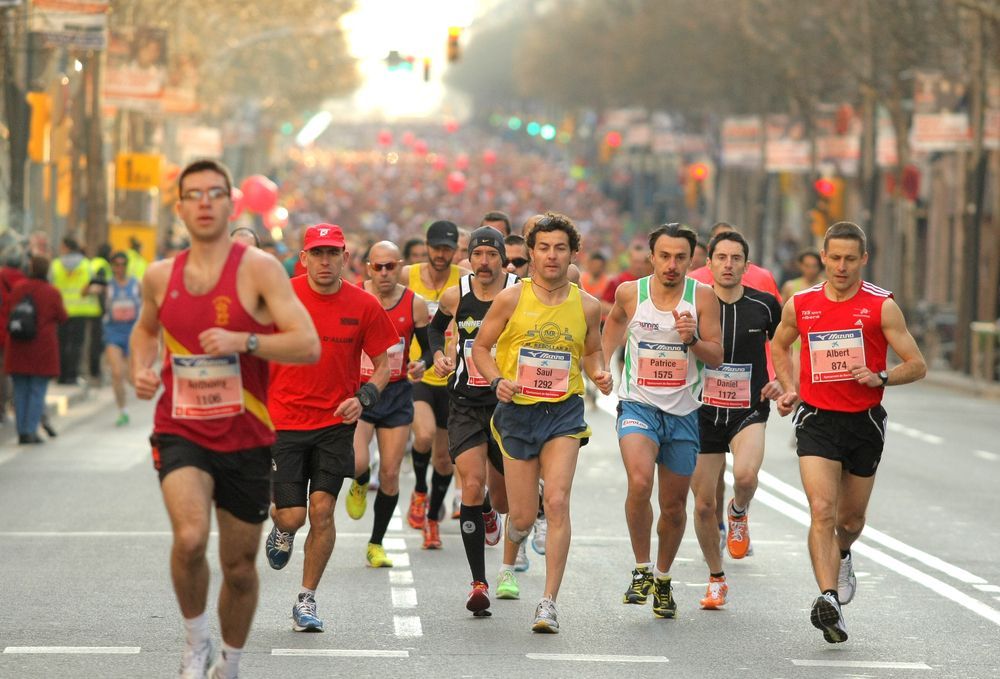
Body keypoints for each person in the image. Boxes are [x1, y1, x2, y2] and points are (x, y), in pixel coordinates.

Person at [131, 159, 320, 678]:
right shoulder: (159, 276)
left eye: (215, 193)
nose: (204, 202)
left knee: (238, 568)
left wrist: (245, 341)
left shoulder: (259, 270)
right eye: (194, 194)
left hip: (245, 434)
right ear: (179, 207)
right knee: (191, 539)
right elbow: (145, 330)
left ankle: (229, 663)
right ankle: (196, 643)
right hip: (181, 428)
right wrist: (142, 368)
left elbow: (306, 344)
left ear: (230, 204)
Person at [771, 221, 926, 644]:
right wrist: (789, 387)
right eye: (835, 258)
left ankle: (843, 553)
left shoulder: (881, 306)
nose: (841, 267)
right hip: (817, 418)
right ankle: (829, 599)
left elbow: (917, 364)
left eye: (850, 259)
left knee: (850, 519)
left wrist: (881, 376)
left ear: (864, 260)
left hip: (864, 421)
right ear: (823, 257)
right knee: (822, 510)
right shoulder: (801, 304)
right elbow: (779, 344)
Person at [473, 212, 614, 633]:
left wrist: (600, 372)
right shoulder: (510, 299)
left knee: (555, 501)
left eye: (560, 248)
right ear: (531, 254)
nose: (552, 256)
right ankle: (509, 558)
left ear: (573, 254)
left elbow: (592, 350)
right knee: (519, 515)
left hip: (563, 412)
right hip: (517, 411)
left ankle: (548, 602)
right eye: (544, 248)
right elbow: (481, 348)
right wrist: (497, 380)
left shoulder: (587, 305)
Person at [263, 223, 397, 634]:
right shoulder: (279, 298)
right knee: (292, 516)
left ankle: (306, 599)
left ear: (345, 258)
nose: (325, 261)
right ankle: (282, 529)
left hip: (335, 423)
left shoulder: (364, 305)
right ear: (304, 258)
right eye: (317, 253)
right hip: (283, 422)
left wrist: (364, 398)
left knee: (322, 511)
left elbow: (384, 365)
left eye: (332, 253)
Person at [600, 223, 723, 620]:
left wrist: (692, 340)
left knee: (673, 507)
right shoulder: (630, 292)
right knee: (639, 482)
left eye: (680, 257)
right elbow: (614, 322)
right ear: (651, 257)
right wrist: (602, 362)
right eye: (665, 256)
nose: (672, 265)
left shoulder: (702, 297)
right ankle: (642, 569)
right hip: (638, 406)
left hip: (684, 414)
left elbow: (716, 355)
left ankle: (664, 579)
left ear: (691, 260)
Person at [689, 231, 782, 610]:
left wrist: (783, 381)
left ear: (746, 265)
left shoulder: (765, 305)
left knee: (744, 476)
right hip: (702, 411)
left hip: (749, 407)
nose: (728, 265)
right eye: (721, 257)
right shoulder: (693, 304)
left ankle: (739, 511)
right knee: (703, 505)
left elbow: (785, 344)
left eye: (736, 258)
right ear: (708, 263)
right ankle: (716, 578)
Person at [428, 226, 517, 616]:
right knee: (471, 483)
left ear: (502, 260)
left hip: (506, 405)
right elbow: (433, 328)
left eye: (491, 255)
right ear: (469, 258)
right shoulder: (456, 294)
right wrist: (438, 355)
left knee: (503, 499)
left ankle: (489, 510)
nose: (484, 262)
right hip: (464, 403)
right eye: (478, 254)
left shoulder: (518, 292)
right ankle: (479, 583)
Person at [344, 241, 432, 569]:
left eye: (390, 266)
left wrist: (422, 363)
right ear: (369, 268)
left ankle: (376, 543)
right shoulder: (355, 296)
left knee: (391, 473)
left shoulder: (414, 304)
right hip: (362, 392)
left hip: (396, 394)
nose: (384, 273)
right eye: (377, 267)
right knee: (357, 461)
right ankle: (360, 480)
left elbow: (428, 347)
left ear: (400, 266)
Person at [400, 221, 469, 548]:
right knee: (424, 435)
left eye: (447, 249)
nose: (441, 254)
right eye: (436, 248)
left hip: (451, 377)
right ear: (426, 246)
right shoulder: (407, 275)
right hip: (418, 374)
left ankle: (431, 521)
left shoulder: (464, 278)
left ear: (455, 250)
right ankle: (419, 491)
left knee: (443, 460)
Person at [5, 256, 67, 444]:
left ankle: (21, 431)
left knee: (20, 390)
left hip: (18, 347)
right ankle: (30, 430)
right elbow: (62, 316)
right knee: (37, 391)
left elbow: (9, 310)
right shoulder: (52, 292)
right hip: (42, 348)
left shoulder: (18, 289)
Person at [50, 237, 101, 385]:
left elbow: (50, 284)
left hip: (61, 310)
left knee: (61, 343)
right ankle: (72, 375)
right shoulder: (86, 264)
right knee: (77, 344)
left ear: (66, 247)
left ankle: (61, 375)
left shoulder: (56, 264)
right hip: (80, 310)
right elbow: (93, 285)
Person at [101, 252, 142, 426]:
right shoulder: (107, 286)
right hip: (113, 332)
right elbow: (85, 292)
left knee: (132, 377)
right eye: (116, 265)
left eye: (123, 264)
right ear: (112, 267)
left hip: (132, 333)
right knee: (117, 373)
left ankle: (128, 398)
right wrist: (92, 284)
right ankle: (122, 410)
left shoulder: (137, 285)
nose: (120, 268)